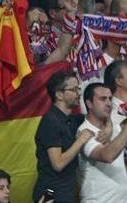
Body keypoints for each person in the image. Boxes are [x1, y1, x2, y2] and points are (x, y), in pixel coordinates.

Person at [77, 82, 127, 202]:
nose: (109, 103)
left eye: (110, 99)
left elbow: (120, 167)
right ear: (89, 103)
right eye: (102, 99)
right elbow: (107, 156)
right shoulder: (84, 132)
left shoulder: (115, 128)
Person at [33, 70, 91, 203]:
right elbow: (58, 164)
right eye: (74, 89)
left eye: (78, 88)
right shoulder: (50, 121)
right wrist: (80, 140)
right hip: (51, 193)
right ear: (59, 94)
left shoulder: (71, 119)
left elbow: (96, 118)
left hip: (67, 191)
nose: (79, 93)